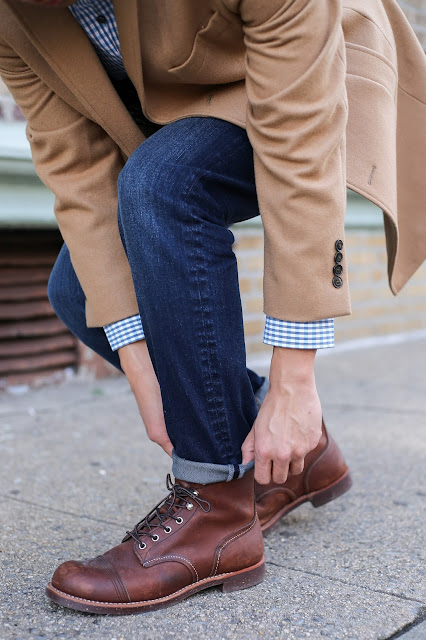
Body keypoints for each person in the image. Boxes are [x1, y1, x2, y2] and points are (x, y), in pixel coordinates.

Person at [1, 0, 425, 615]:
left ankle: (216, 509)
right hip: (181, 109)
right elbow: (77, 166)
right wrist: (143, 365)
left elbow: (299, 140)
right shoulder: (15, 17)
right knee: (77, 288)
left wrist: (295, 381)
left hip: (313, 75)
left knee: (164, 183)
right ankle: (294, 460)